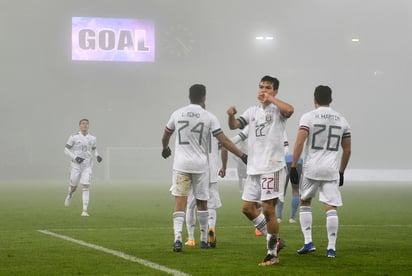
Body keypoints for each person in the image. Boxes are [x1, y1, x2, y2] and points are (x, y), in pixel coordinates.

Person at [161, 84, 247, 252]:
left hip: (181, 165)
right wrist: (242, 155)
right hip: (201, 166)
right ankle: (203, 240)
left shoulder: (177, 113)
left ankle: (178, 238)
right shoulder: (209, 117)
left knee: (181, 202)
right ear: (204, 97)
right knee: (203, 202)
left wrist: (165, 148)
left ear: (189, 96)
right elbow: (224, 141)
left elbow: (166, 134)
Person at [227, 75, 294, 266]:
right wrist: (230, 115)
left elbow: (290, 110)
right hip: (254, 169)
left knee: (267, 209)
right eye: (261, 87)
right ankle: (275, 240)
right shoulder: (252, 111)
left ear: (275, 91)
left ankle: (272, 254)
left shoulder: (278, 110)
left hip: (272, 167)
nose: (263, 90)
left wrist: (270, 98)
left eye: (268, 88)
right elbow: (235, 125)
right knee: (247, 208)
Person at [289, 85, 351, 258]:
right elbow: (347, 149)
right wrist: (341, 171)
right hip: (331, 168)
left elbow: (300, 142)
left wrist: (293, 165)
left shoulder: (308, 117)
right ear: (331, 100)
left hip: (311, 168)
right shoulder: (342, 119)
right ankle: (331, 248)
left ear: (314, 99)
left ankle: (308, 242)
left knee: (305, 201)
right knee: (330, 206)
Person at [185, 136, 225, 248]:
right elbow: (225, 148)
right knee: (211, 205)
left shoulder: (195, 130)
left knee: (191, 205)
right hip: (212, 172)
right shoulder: (216, 131)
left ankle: (191, 238)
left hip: (197, 171)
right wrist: (224, 167)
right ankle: (211, 227)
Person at [64, 119, 103, 216]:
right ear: (80, 126)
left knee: (86, 186)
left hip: (87, 166)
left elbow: (94, 149)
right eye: (83, 124)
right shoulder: (74, 137)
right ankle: (70, 194)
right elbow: (66, 149)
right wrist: (75, 157)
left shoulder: (93, 138)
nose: (85, 125)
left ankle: (84, 210)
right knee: (73, 187)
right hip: (76, 165)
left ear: (88, 126)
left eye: (86, 124)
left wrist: (97, 155)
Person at [275, 154, 303, 224]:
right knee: (295, 190)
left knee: (281, 191)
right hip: (298, 162)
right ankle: (292, 218)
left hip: (285, 163)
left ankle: (278, 217)